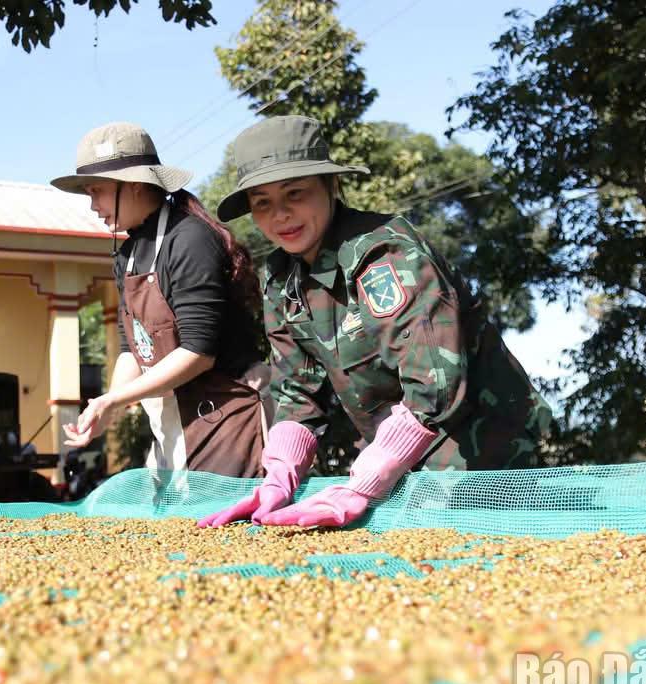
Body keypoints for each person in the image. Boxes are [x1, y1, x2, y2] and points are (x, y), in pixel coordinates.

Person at [198, 115, 552, 529]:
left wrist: (364, 484)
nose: (281, 215)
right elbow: (297, 390)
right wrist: (279, 474)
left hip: (481, 451)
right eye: (262, 202)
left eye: (295, 193)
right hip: (394, 458)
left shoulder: (383, 253)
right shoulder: (280, 279)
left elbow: (434, 385)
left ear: (331, 187)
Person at [52, 122, 267, 478]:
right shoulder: (128, 254)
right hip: (172, 425)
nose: (92, 206)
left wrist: (116, 399)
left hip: (229, 418)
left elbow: (198, 353)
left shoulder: (190, 239)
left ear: (134, 184)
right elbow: (131, 348)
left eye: (97, 192)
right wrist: (108, 408)